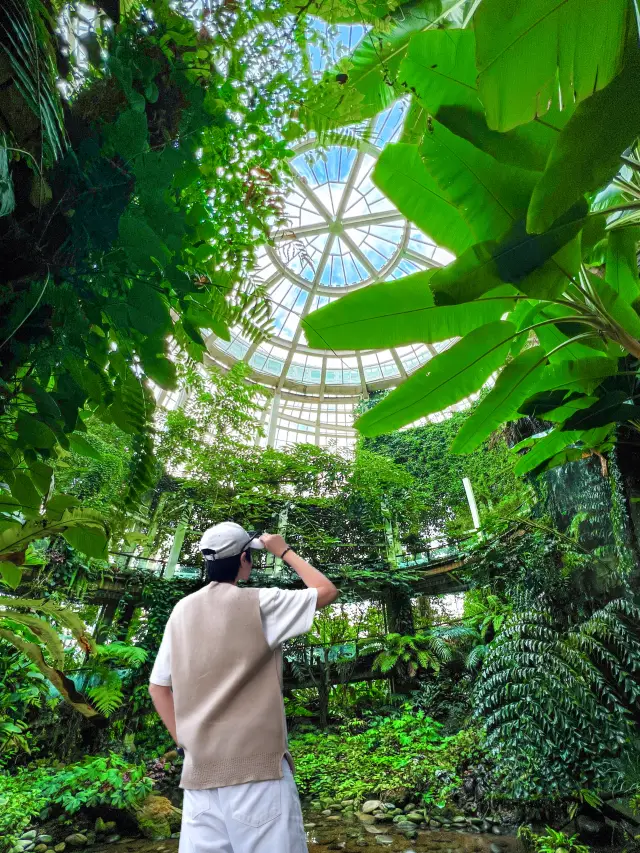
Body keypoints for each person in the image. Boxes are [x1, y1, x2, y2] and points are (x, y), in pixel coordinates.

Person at [148, 521, 339, 853]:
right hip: (258, 775)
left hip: (199, 780)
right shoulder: (259, 603)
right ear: (243, 560)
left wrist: (183, 741)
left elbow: (158, 688)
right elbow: (325, 590)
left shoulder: (180, 611)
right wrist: (283, 550)